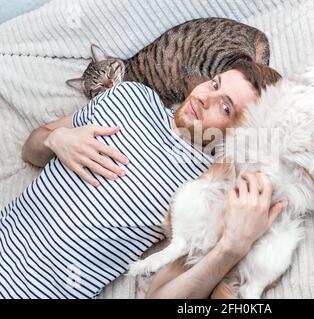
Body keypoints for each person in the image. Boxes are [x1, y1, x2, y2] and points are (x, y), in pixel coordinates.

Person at [1, 60, 282, 298]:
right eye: (215, 84)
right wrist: (56, 139)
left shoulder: (208, 184)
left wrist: (231, 250)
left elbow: (159, 295)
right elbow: (30, 151)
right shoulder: (129, 96)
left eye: (225, 108)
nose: (204, 97)